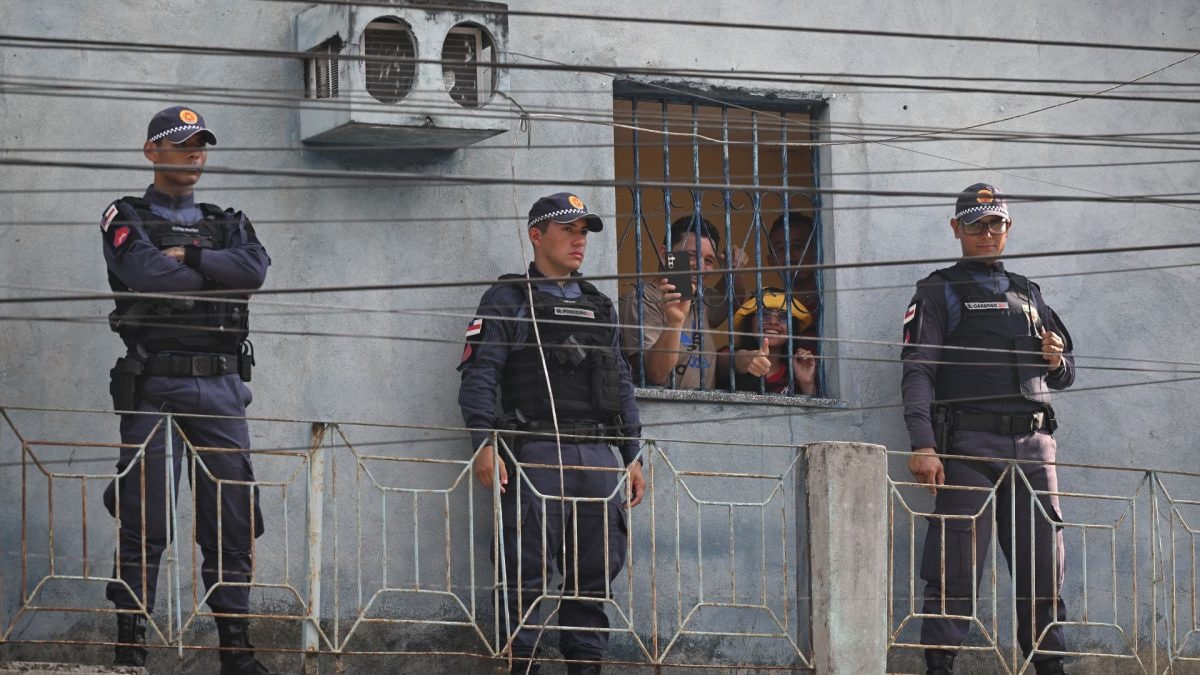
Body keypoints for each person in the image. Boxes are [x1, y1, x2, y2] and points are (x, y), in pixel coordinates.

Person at [100, 106, 273, 674]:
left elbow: (253, 272)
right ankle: (130, 649)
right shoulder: (126, 216)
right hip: (156, 383)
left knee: (233, 518)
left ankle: (236, 652)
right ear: (153, 152)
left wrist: (194, 254)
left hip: (222, 386)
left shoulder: (228, 222)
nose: (193, 152)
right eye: (180, 143)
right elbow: (148, 274)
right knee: (143, 519)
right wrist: (211, 276)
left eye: (200, 144)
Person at [458, 192, 645, 675]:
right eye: (568, 230)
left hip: (598, 457)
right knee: (526, 574)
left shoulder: (599, 305)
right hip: (536, 452)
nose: (579, 241)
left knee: (594, 577)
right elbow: (481, 375)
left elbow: (620, 382)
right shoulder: (508, 299)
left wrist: (633, 454)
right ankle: (519, 666)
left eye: (584, 232)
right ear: (537, 235)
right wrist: (483, 443)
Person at [901, 183, 1073, 675]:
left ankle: (1051, 665)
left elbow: (1063, 374)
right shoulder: (938, 289)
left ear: (1008, 228)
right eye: (976, 224)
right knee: (953, 565)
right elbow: (917, 370)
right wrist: (924, 444)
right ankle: (939, 666)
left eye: (996, 223)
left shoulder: (1028, 291)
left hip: (1035, 449)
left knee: (1045, 568)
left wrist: (1057, 359)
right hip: (970, 444)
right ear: (957, 229)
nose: (988, 232)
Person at [618, 215, 725, 389]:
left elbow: (735, 301)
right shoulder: (641, 299)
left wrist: (736, 270)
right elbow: (656, 374)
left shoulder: (701, 300)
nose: (700, 266)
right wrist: (675, 322)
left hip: (705, 412)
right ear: (664, 255)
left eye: (708, 261)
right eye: (691, 255)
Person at [716, 288, 817, 395]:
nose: (773, 322)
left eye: (783, 317)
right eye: (764, 314)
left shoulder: (794, 372)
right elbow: (725, 361)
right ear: (750, 322)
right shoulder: (728, 354)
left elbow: (814, 411)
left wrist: (807, 383)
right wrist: (748, 359)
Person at [766, 212, 820, 331]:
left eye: (798, 246)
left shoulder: (832, 308)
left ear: (817, 251)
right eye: (780, 249)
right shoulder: (769, 318)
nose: (789, 256)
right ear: (771, 262)